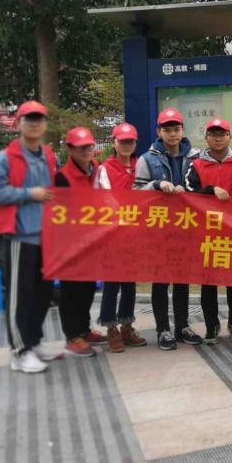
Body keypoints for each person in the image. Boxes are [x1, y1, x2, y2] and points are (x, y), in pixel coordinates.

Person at [0, 100, 60, 374]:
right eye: (29, 119)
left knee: (42, 294)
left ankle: (33, 342)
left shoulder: (48, 155)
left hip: (46, 237)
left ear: (45, 124)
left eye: (39, 119)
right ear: (18, 124)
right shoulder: (4, 158)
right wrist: (28, 194)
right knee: (19, 297)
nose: (35, 124)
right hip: (19, 237)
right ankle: (19, 351)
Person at [133, 107, 202, 351]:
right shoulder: (146, 159)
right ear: (158, 131)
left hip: (186, 227)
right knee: (160, 281)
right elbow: (135, 192)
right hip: (159, 229)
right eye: (167, 129)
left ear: (182, 130)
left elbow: (202, 188)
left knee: (182, 279)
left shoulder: (196, 157)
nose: (172, 134)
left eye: (176, 128)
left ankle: (182, 326)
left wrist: (189, 191)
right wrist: (156, 184)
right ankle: (163, 329)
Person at [184, 118, 232, 344]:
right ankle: (211, 325)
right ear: (206, 138)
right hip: (206, 234)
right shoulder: (196, 165)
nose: (218, 138)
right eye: (213, 134)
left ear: (230, 137)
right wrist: (211, 190)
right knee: (208, 283)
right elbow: (189, 192)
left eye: (222, 134)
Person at [96, 122, 147, 352]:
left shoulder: (141, 165)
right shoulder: (105, 169)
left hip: (135, 233)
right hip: (113, 233)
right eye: (122, 141)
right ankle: (111, 328)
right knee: (112, 282)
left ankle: (127, 326)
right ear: (114, 143)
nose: (127, 145)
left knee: (129, 282)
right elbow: (105, 199)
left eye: (130, 141)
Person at [54, 127, 104, 358]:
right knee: (71, 290)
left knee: (87, 287)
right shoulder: (61, 178)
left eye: (89, 146)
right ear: (70, 149)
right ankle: (72, 336)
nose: (86, 151)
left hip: (92, 241)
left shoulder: (96, 170)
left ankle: (84, 329)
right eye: (80, 147)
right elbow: (58, 214)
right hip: (69, 244)